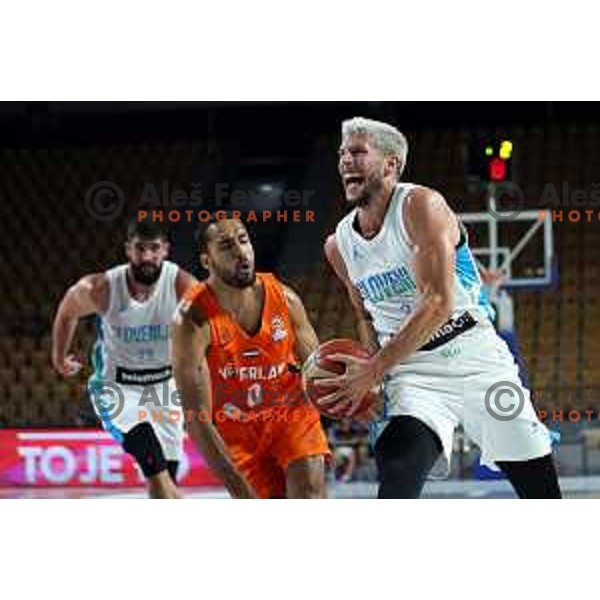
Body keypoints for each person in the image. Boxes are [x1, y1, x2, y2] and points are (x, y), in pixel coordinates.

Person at [321, 116, 561, 499]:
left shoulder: (421, 205)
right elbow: (364, 313)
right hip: (411, 371)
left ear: (390, 164)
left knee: (539, 488)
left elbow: (438, 302)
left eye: (357, 152)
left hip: (474, 352)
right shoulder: (339, 245)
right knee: (398, 468)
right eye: (341, 154)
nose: (345, 161)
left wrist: (374, 368)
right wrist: (374, 376)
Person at [172, 215, 330, 499]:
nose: (241, 251)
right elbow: (197, 419)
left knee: (309, 493)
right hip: (237, 431)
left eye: (244, 240)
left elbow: (318, 370)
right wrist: (241, 493)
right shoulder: (191, 320)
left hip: (290, 413)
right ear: (207, 261)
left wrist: (354, 394)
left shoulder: (285, 299)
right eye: (226, 246)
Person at [52, 219, 197, 498]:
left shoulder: (182, 284)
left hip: (164, 388)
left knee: (165, 482)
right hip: (117, 389)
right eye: (139, 248)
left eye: (154, 248)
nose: (146, 256)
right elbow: (67, 311)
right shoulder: (103, 287)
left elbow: (212, 327)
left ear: (165, 250)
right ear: (128, 250)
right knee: (152, 461)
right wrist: (59, 358)